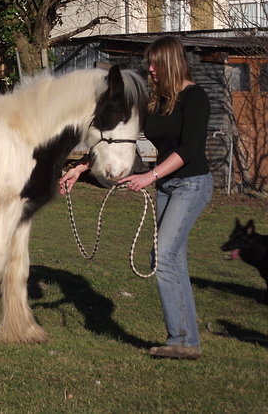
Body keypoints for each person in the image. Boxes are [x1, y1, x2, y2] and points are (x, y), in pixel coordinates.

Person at [59, 35, 213, 360]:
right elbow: (119, 138)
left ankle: (182, 340)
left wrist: (148, 176)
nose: (151, 69)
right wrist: (81, 168)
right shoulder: (155, 101)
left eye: (156, 64)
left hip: (192, 184)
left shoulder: (195, 97)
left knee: (165, 258)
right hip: (168, 186)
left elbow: (189, 150)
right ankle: (187, 340)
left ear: (172, 63)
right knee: (172, 259)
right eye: (149, 64)